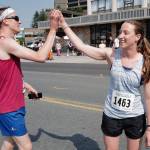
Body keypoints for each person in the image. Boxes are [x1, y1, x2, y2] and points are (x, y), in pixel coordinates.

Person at [56, 10, 150, 150]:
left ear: (137, 36)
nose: (120, 36)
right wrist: (64, 25)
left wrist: (149, 127)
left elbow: (148, 97)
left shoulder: (146, 62)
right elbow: (82, 47)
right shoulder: (111, 54)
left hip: (135, 117)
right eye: (120, 32)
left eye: (125, 32)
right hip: (111, 115)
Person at [0, 7, 59, 150]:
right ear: (5, 21)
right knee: (26, 146)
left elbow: (6, 75)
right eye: (16, 18)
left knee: (8, 143)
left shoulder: (6, 42)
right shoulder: (5, 42)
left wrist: (24, 84)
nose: (20, 21)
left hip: (14, 105)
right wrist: (53, 29)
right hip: (9, 109)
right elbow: (41, 56)